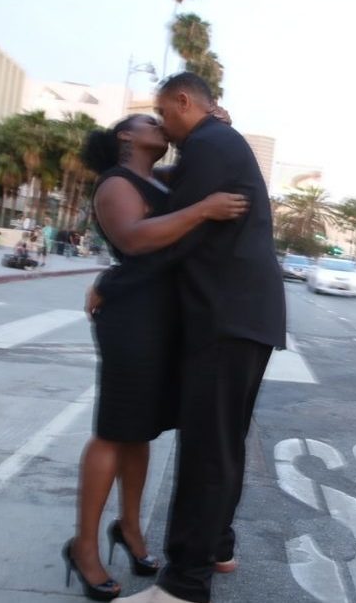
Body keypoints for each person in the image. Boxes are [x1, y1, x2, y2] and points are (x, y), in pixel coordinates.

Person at [97, 73, 285, 603]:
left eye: (163, 112)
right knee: (221, 446)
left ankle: (183, 586)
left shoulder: (207, 143)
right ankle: (217, 545)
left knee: (207, 451)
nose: (163, 125)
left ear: (183, 102)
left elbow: (169, 239)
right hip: (242, 317)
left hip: (226, 318)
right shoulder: (217, 142)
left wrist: (111, 281)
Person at [61, 113, 248, 602]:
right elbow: (135, 239)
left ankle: (130, 528)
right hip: (131, 318)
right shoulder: (115, 184)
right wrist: (204, 209)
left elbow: (193, 173)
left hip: (163, 318)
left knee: (140, 430)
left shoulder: (156, 179)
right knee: (114, 429)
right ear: (127, 136)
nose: (161, 126)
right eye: (150, 122)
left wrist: (213, 124)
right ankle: (83, 546)